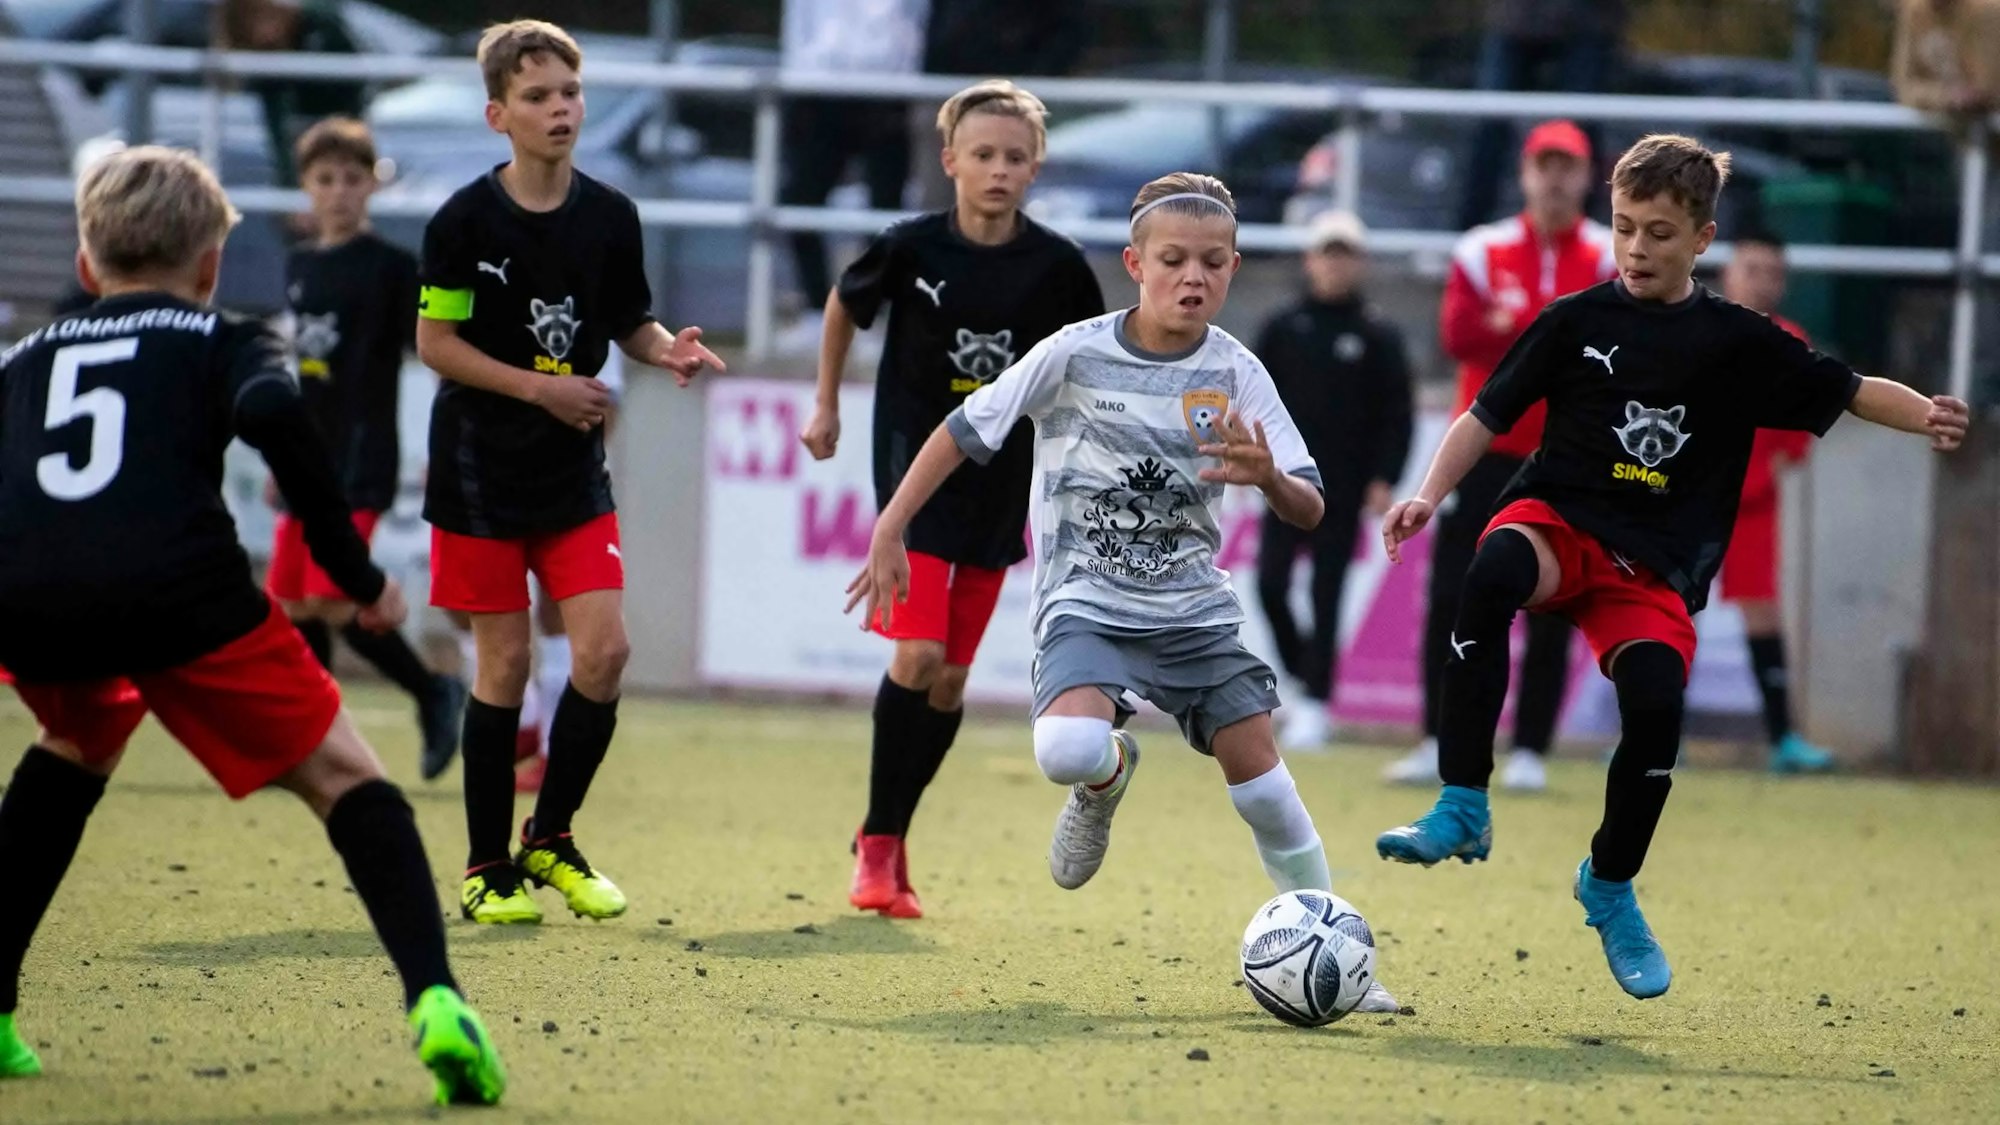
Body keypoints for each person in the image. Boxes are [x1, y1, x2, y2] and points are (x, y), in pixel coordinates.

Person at [1373, 134, 1969, 1000]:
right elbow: (1484, 411)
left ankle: (1609, 884)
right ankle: (1462, 802)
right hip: (1560, 522)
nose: (1636, 249)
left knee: (1656, 705)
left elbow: (1845, 387)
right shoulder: (1575, 320)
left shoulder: (1738, 341)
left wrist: (1927, 417)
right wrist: (1429, 493)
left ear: (1702, 238)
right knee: (1493, 565)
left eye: (1657, 232)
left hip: (1648, 567)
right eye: (1623, 228)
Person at [0, 146, 506, 1104]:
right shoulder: (221, 335)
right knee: (351, 779)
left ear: (84, 263)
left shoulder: (24, 354)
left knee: (72, 741)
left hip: (27, 594)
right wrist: (358, 579)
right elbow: (277, 412)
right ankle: (438, 999)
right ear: (210, 266)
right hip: (173, 587)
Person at [846, 172, 1399, 1012]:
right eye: (1173, 260)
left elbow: (1312, 500)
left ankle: (1345, 966)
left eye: (1212, 263)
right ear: (1135, 264)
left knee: (1268, 795)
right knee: (1065, 753)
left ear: (1234, 268)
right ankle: (1104, 780)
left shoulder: (1237, 371)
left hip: (1194, 614)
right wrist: (892, 526)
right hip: (1088, 602)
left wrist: (1268, 483)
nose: (1193, 277)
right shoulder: (1075, 350)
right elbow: (965, 429)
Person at [416, 20, 724, 926]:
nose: (560, 110)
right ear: (497, 114)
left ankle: (549, 838)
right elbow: (435, 343)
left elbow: (629, 320)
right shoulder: (462, 221)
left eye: (570, 94)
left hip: (571, 474)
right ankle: (484, 866)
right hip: (478, 472)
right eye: (539, 97)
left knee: (605, 650)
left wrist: (668, 349)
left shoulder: (611, 215)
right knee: (504, 663)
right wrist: (540, 390)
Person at [799, 80, 1105, 919]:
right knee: (919, 656)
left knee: (951, 682)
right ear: (951, 162)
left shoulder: (1058, 267)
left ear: (1034, 167)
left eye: (1014, 157)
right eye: (982, 156)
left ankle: (888, 836)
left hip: (999, 487)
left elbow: (1091, 363)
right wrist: (825, 403)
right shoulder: (909, 247)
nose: (998, 170)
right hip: (913, 475)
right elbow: (842, 305)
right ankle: (880, 843)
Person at [1385, 120, 1615, 791]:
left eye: (1566, 166)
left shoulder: (1604, 255)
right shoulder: (1483, 248)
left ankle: (1531, 749)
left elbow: (1599, 343)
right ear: (1524, 172)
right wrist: (1550, 324)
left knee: (1554, 596)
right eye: (1544, 164)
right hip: (1483, 453)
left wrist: (1512, 327)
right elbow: (1458, 333)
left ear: (1584, 176)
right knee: (1455, 595)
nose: (1554, 178)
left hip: (1564, 456)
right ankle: (1438, 738)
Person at [270, 116, 468, 781]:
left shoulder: (390, 267)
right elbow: (302, 366)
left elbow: (437, 352)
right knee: (293, 604)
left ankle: (430, 689)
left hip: (364, 453)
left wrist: (451, 434)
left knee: (335, 599)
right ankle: (314, 738)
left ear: (372, 186)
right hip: (308, 454)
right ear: (306, 188)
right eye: (326, 179)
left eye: (353, 178)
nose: (339, 192)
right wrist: (280, 455)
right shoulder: (299, 265)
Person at [1252, 210, 1413, 751]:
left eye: (1345, 254)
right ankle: (1302, 675)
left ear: (1359, 263)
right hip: (1281, 483)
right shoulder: (1281, 328)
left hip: (1342, 489)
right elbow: (1249, 395)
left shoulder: (1377, 333)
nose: (1335, 265)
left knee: (1327, 592)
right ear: (1309, 259)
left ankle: (1317, 703)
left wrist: (1385, 478)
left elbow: (1398, 413)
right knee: (1269, 583)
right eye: (1327, 253)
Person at [779, 0, 930, 327]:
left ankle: (869, 314)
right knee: (799, 201)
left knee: (885, 207)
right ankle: (816, 312)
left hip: (887, 86)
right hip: (815, 85)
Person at [1456, 1, 1627, 230]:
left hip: (1587, 20)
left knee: (1583, 128)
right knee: (1490, 123)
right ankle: (1468, 235)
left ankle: (1586, 242)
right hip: (1515, 18)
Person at [213, 0, 366, 185]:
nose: (265, 27)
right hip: (291, 115)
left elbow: (351, 93)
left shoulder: (323, 30)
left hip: (332, 118)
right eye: (254, 15)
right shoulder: (266, 76)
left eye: (266, 14)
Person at [1891, 0, 2000, 115]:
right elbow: (1902, 86)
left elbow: (1985, 90)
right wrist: (1945, 97)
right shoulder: (1913, 11)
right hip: (1939, 118)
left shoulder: (1989, 12)